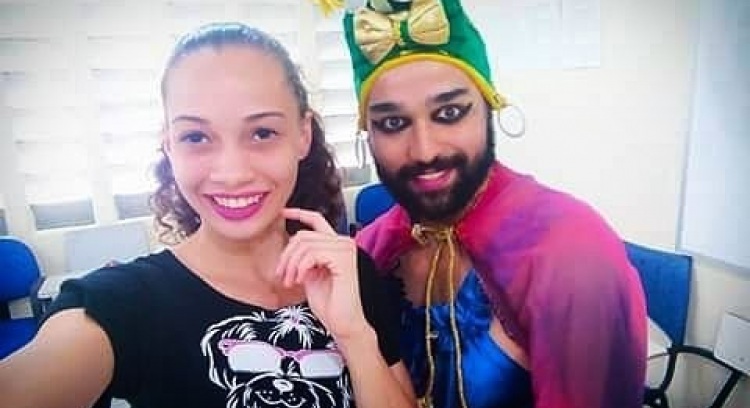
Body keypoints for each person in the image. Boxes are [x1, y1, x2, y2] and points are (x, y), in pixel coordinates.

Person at [0, 22, 417, 408]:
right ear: (170, 146)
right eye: (196, 137)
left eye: (262, 132)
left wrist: (354, 335)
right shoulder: (127, 304)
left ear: (302, 135)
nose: (232, 174)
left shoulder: (348, 272)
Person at [310, 0, 648, 407]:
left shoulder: (572, 253)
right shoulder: (370, 252)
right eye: (393, 123)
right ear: (368, 133)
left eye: (449, 112)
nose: (425, 150)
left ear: (490, 106)